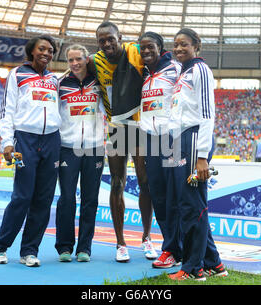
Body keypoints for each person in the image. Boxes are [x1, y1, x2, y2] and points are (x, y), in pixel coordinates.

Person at [88, 21, 156, 262]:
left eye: (110, 39)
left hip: (141, 126)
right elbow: (74, 74)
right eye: (102, 40)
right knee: (117, 183)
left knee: (145, 182)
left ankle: (147, 238)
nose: (107, 44)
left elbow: (159, 59)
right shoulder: (94, 61)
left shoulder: (136, 51)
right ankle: (120, 243)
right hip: (116, 128)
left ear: (120, 37)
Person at [0, 35, 61, 267]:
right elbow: (7, 110)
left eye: (51, 50)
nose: (47, 53)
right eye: (42, 49)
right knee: (22, 197)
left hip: (52, 141)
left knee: (43, 200)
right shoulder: (17, 74)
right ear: (32, 51)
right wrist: (7, 143)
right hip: (25, 141)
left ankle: (29, 251)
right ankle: (1, 246)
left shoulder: (54, 79)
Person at [166, 28, 227, 280]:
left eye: (184, 45)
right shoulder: (183, 72)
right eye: (176, 45)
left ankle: (193, 269)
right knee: (192, 204)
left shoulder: (200, 70)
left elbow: (206, 114)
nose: (179, 49)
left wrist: (201, 155)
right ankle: (214, 264)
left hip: (194, 141)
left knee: (191, 205)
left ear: (196, 45)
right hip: (183, 140)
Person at [55, 44, 105, 263]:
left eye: (78, 59)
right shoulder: (60, 84)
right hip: (68, 147)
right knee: (66, 198)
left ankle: (85, 247)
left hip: (95, 147)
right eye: (70, 60)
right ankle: (65, 246)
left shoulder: (99, 83)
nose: (74, 63)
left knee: (90, 199)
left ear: (87, 59)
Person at [137, 32, 183, 268]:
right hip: (150, 140)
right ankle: (170, 248)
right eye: (142, 48)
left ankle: (175, 249)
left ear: (160, 47)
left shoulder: (175, 69)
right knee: (158, 195)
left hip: (171, 138)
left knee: (175, 196)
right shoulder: (142, 74)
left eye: (150, 47)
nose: (146, 51)